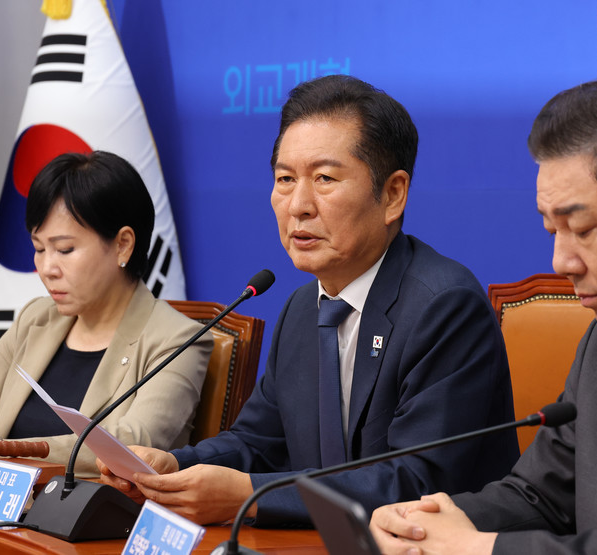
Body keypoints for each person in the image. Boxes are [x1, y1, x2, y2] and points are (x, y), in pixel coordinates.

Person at [98, 75, 518, 526]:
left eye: (324, 178)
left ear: (393, 194)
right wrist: (174, 466)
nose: (298, 204)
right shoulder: (302, 308)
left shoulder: (444, 306)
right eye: (285, 179)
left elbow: (418, 482)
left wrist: (249, 496)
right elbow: (258, 443)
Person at [370, 77, 597, 554]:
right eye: (552, 231)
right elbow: (540, 496)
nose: (561, 262)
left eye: (582, 229)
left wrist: (480, 550)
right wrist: (423, 524)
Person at [0, 151, 211, 477]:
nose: (47, 268)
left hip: (93, 508)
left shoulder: (177, 340)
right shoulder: (37, 318)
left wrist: (0, 451)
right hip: (1, 502)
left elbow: (133, 443)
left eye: (65, 249)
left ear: (122, 245)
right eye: (39, 248)